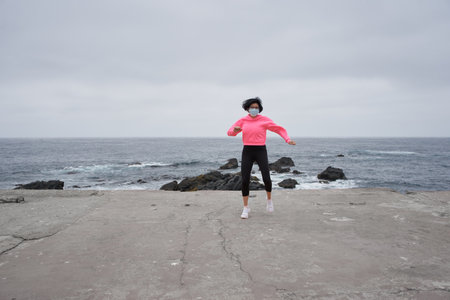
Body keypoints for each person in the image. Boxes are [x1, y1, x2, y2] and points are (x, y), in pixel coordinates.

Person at [227, 97, 296, 219]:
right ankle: (245, 208)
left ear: (259, 109)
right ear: (247, 109)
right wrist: (235, 130)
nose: (254, 109)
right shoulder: (242, 120)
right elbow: (230, 133)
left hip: (260, 150)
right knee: (244, 180)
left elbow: (279, 129)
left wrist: (287, 139)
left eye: (256, 107)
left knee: (266, 178)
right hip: (247, 150)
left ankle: (269, 200)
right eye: (252, 107)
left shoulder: (264, 120)